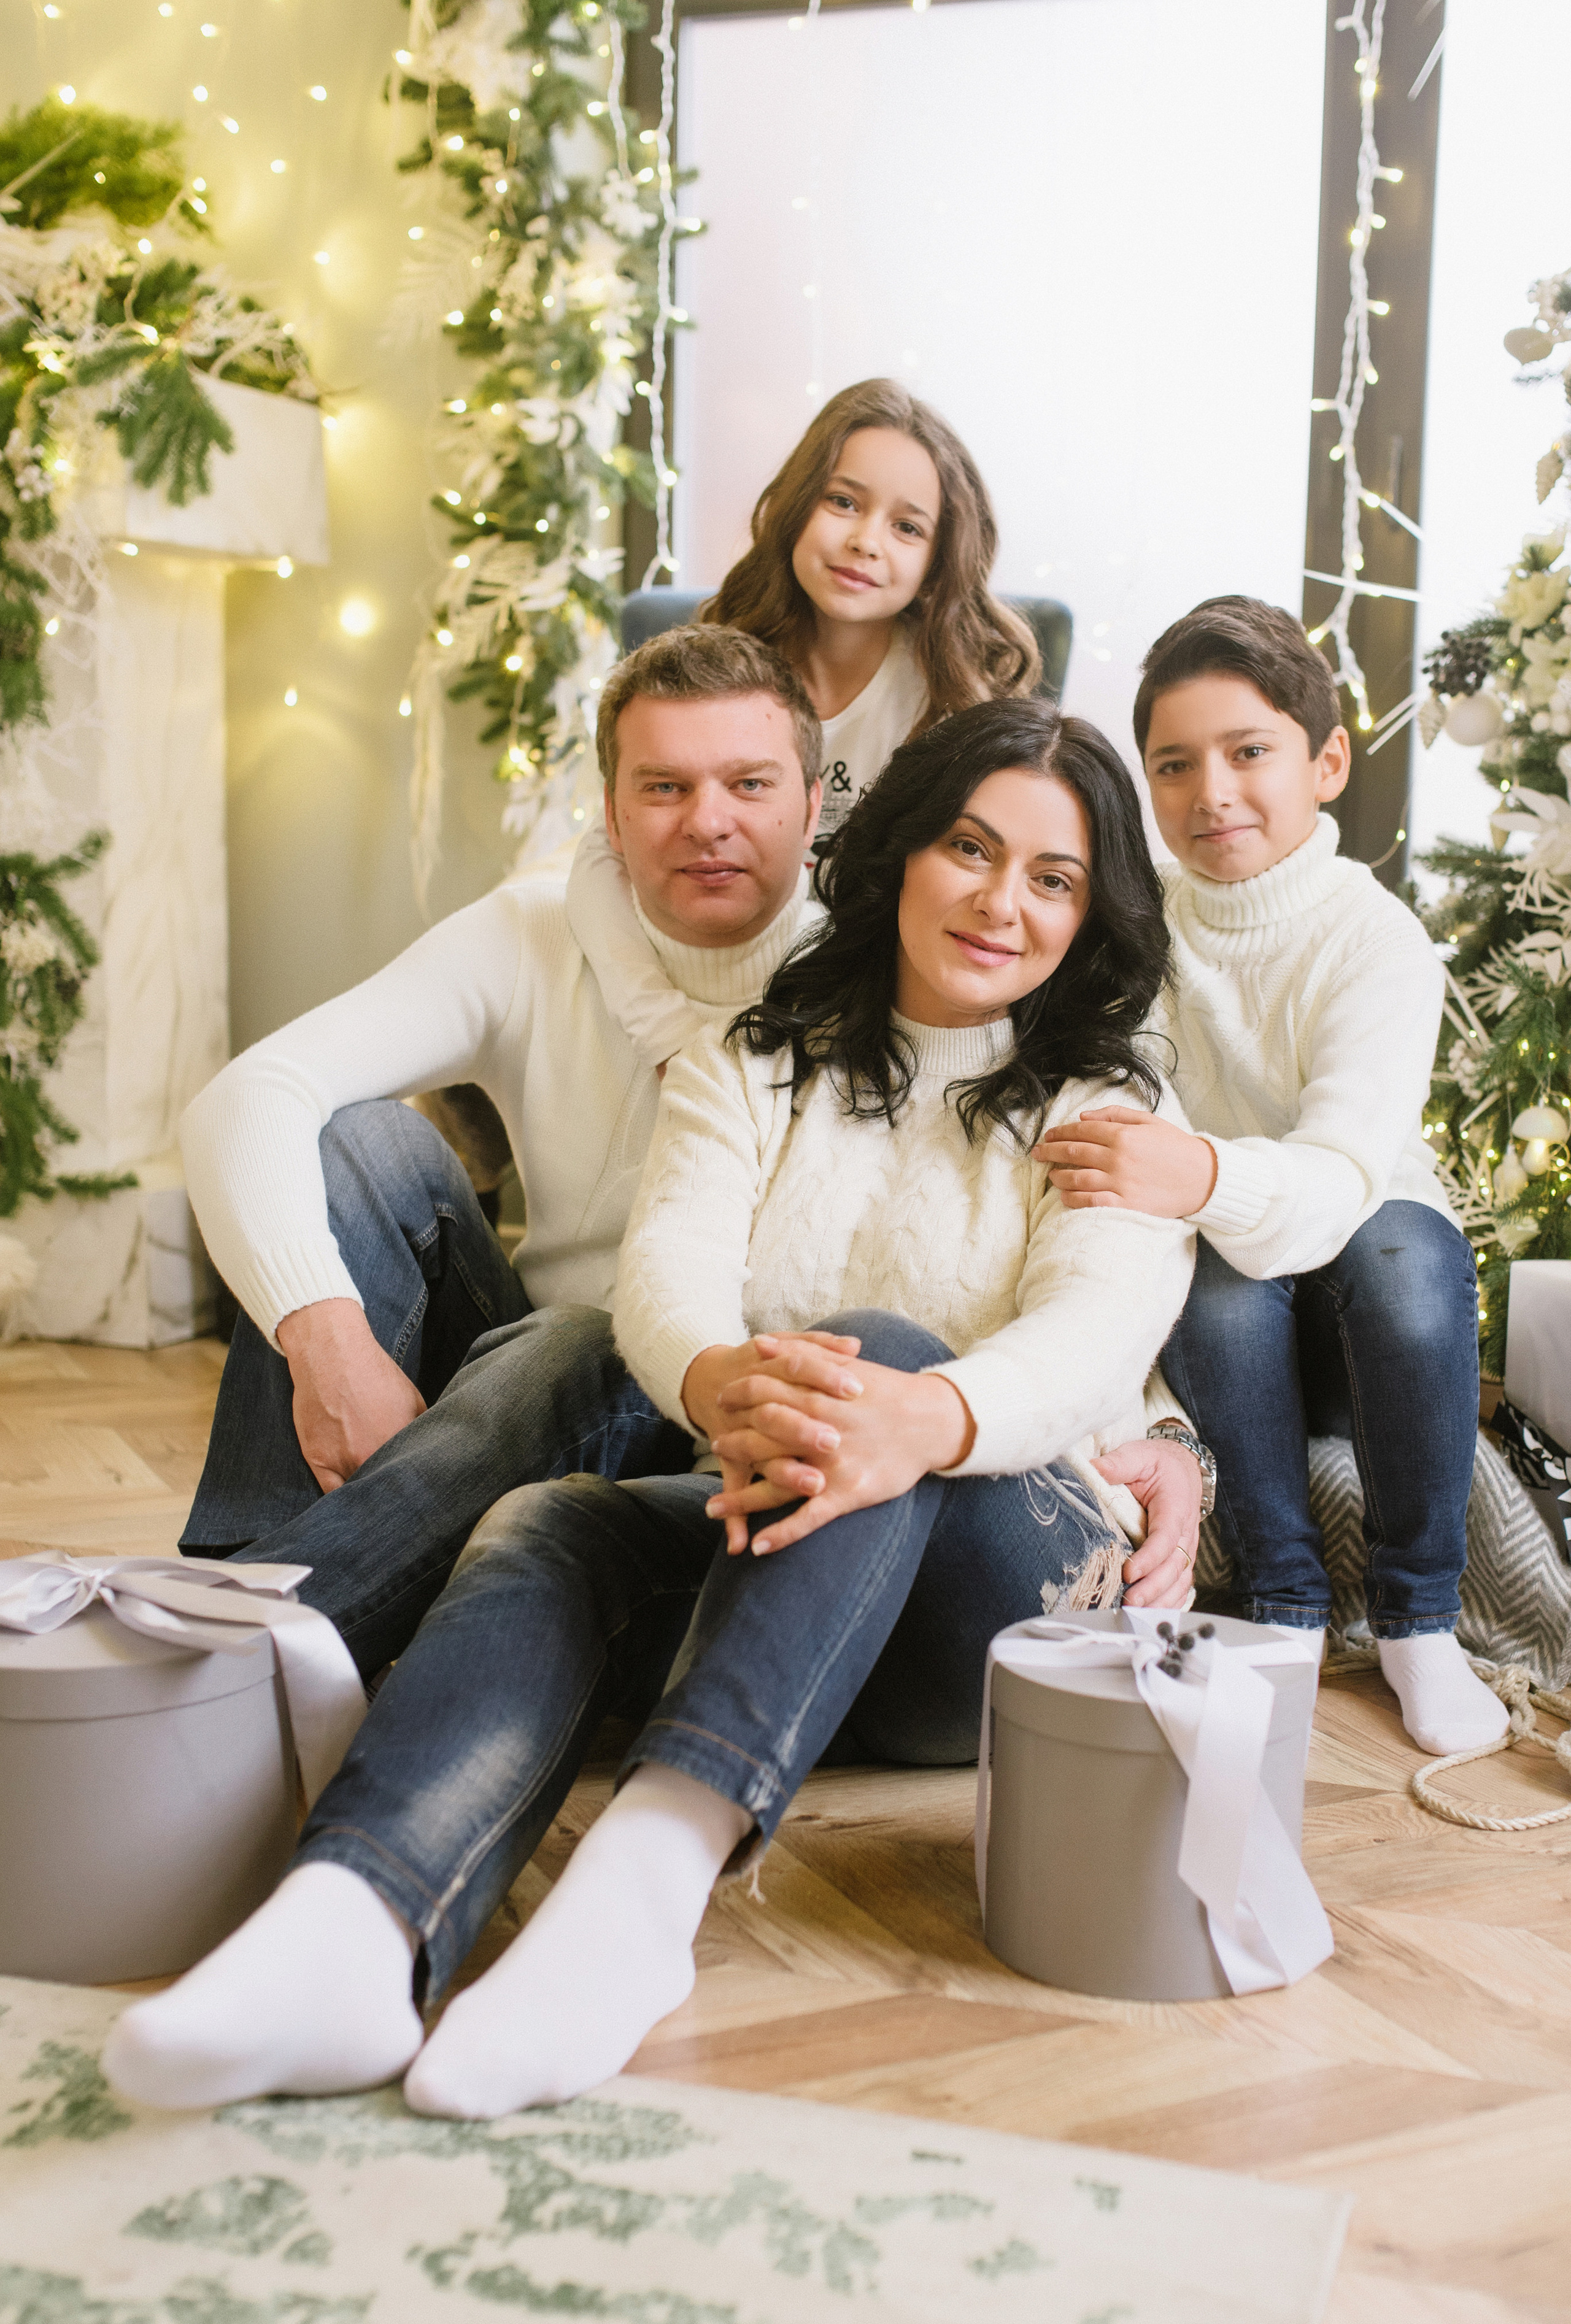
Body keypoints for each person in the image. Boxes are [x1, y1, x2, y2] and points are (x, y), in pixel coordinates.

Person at [105, 696, 1204, 2120]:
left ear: (1087, 910)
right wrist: (713, 1376)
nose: (1002, 901)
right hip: (778, 1547)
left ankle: (632, 1907)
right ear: (899, 855)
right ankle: (352, 1927)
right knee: (554, 1522)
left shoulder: (1107, 1096)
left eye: (1051, 877)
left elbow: (1089, 1333)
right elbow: (665, 1270)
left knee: (861, 1351)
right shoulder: (761, 1050)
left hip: (1005, 1591)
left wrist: (916, 1410)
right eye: (968, 849)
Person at [177, 628, 834, 1674]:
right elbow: (242, 1099)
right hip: (521, 1382)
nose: (707, 820)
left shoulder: (880, 963)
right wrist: (327, 1336)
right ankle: (260, 1580)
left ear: (812, 801)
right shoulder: (535, 929)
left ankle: (218, 1655)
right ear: (613, 814)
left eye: (749, 782)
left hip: (713, 1423)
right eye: (664, 787)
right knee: (361, 1141)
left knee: (592, 1332)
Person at [1035, 596, 1507, 1759]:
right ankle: (1285, 1601)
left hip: (1362, 1269)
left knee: (1407, 1260)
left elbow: (1344, 1176)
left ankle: (1418, 1615)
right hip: (1236, 1297)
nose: (1214, 793)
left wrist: (1196, 1168)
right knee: (1216, 1279)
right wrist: (1184, 1184)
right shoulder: (1144, 930)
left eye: (1251, 753)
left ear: (1327, 761)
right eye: (1176, 765)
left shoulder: (1377, 938)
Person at [565, 378, 1041, 1071]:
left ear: (939, 561)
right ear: (795, 508)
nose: (864, 541)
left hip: (865, 1007)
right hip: (700, 969)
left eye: (906, 527)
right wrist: (665, 1035)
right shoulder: (713, 665)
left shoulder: (954, 706)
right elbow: (597, 857)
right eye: (842, 502)